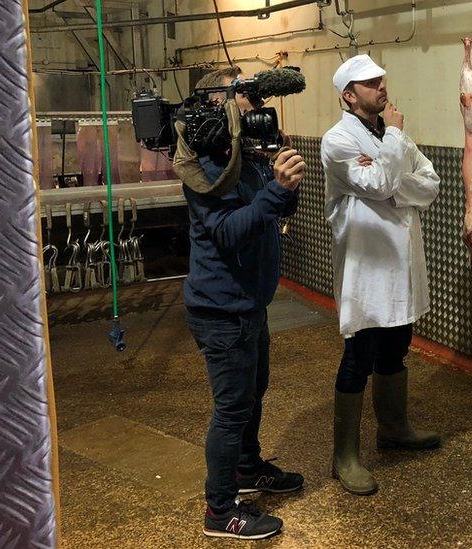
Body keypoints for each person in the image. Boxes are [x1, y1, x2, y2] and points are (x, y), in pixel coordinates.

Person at [179, 66, 305, 540]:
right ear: (217, 102)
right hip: (221, 310)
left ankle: (247, 469)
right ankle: (219, 511)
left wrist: (283, 184)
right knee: (231, 408)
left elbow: (273, 211)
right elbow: (230, 233)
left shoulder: (243, 153)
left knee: (255, 391)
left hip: (250, 303)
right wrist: (274, 190)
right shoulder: (208, 164)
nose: (254, 104)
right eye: (244, 94)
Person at [321, 55, 442, 496]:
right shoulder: (336, 141)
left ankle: (393, 429)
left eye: (382, 80)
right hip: (366, 270)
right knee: (358, 358)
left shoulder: (395, 138)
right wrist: (392, 167)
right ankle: (345, 457)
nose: (382, 88)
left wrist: (396, 184)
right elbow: (375, 185)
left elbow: (428, 183)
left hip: (401, 266)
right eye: (370, 84)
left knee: (396, 349)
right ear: (348, 95)